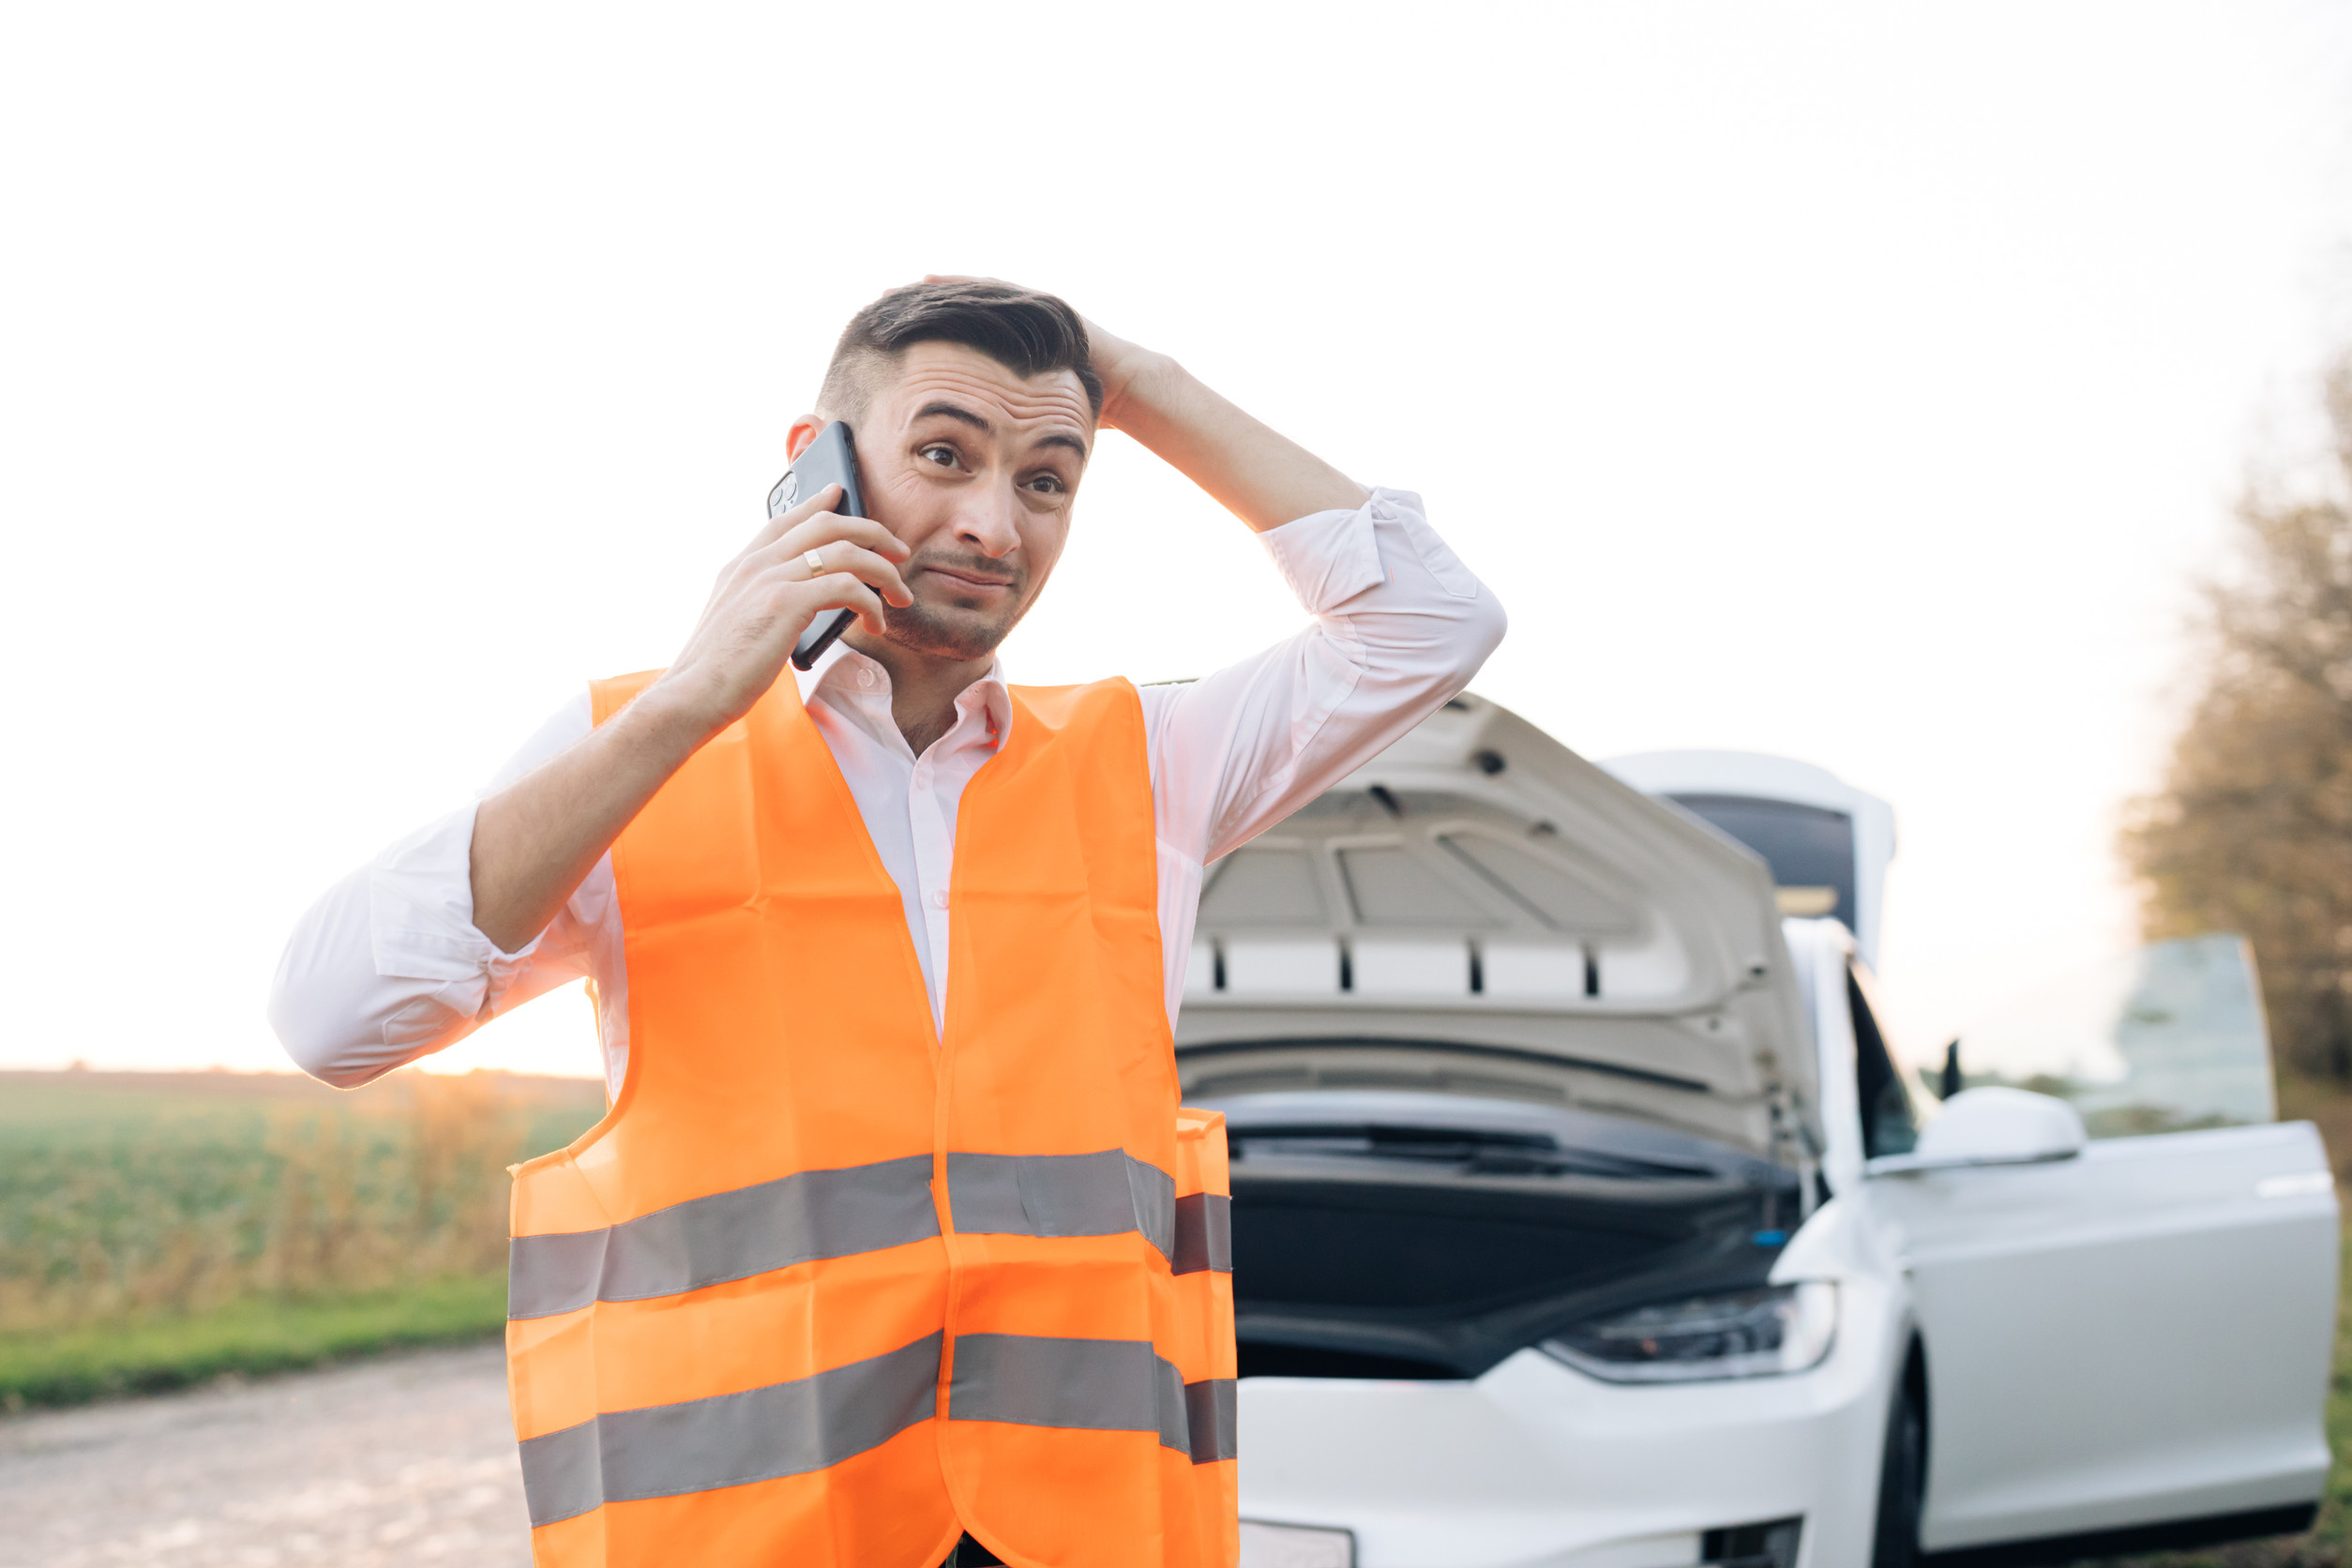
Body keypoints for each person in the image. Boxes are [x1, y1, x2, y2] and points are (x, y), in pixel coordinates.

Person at [270, 279, 1505, 1568]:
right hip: (750, 1531)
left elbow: (1431, 619)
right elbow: (332, 1020)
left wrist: (1143, 386)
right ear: (818, 471)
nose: (992, 522)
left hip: (1077, 1533)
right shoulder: (638, 748)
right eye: (942, 455)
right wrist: (688, 701)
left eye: (1046, 480)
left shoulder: (1150, 759)